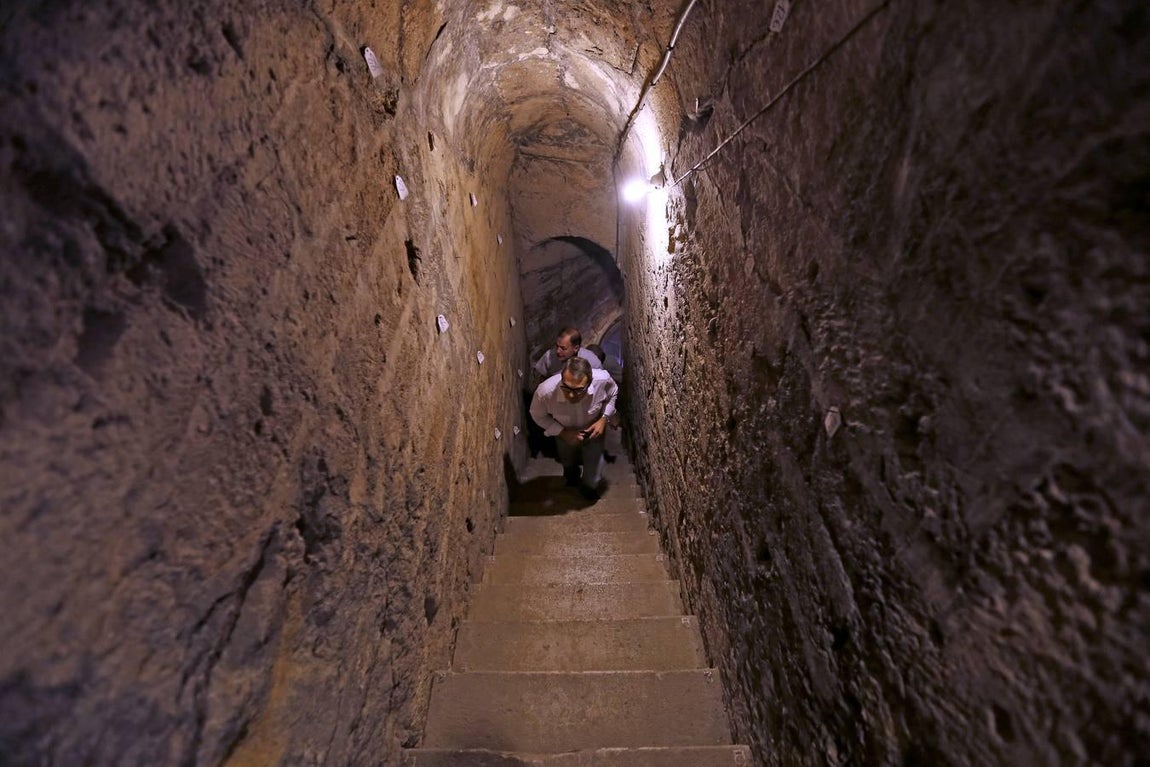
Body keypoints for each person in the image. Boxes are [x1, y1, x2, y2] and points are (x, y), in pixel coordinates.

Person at [529, 356, 618, 501]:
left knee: (594, 462)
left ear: (589, 383)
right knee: (567, 457)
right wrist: (562, 433)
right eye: (566, 387)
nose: (570, 395)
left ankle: (589, 488)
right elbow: (537, 415)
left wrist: (604, 419)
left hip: (592, 428)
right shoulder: (545, 392)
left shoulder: (603, 380)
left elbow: (613, 394)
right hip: (564, 430)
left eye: (578, 390)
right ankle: (571, 475)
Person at [532, 326, 602, 380]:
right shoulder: (549, 357)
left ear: (576, 348)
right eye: (557, 346)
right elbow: (541, 378)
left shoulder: (593, 364)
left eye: (563, 348)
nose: (558, 351)